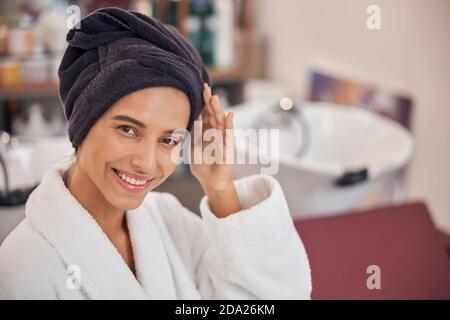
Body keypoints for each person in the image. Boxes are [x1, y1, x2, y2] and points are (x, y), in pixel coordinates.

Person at [0, 7, 311, 299]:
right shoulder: (23, 266)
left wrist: (221, 189)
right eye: (128, 129)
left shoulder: (168, 218)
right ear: (83, 121)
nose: (147, 163)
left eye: (169, 140)